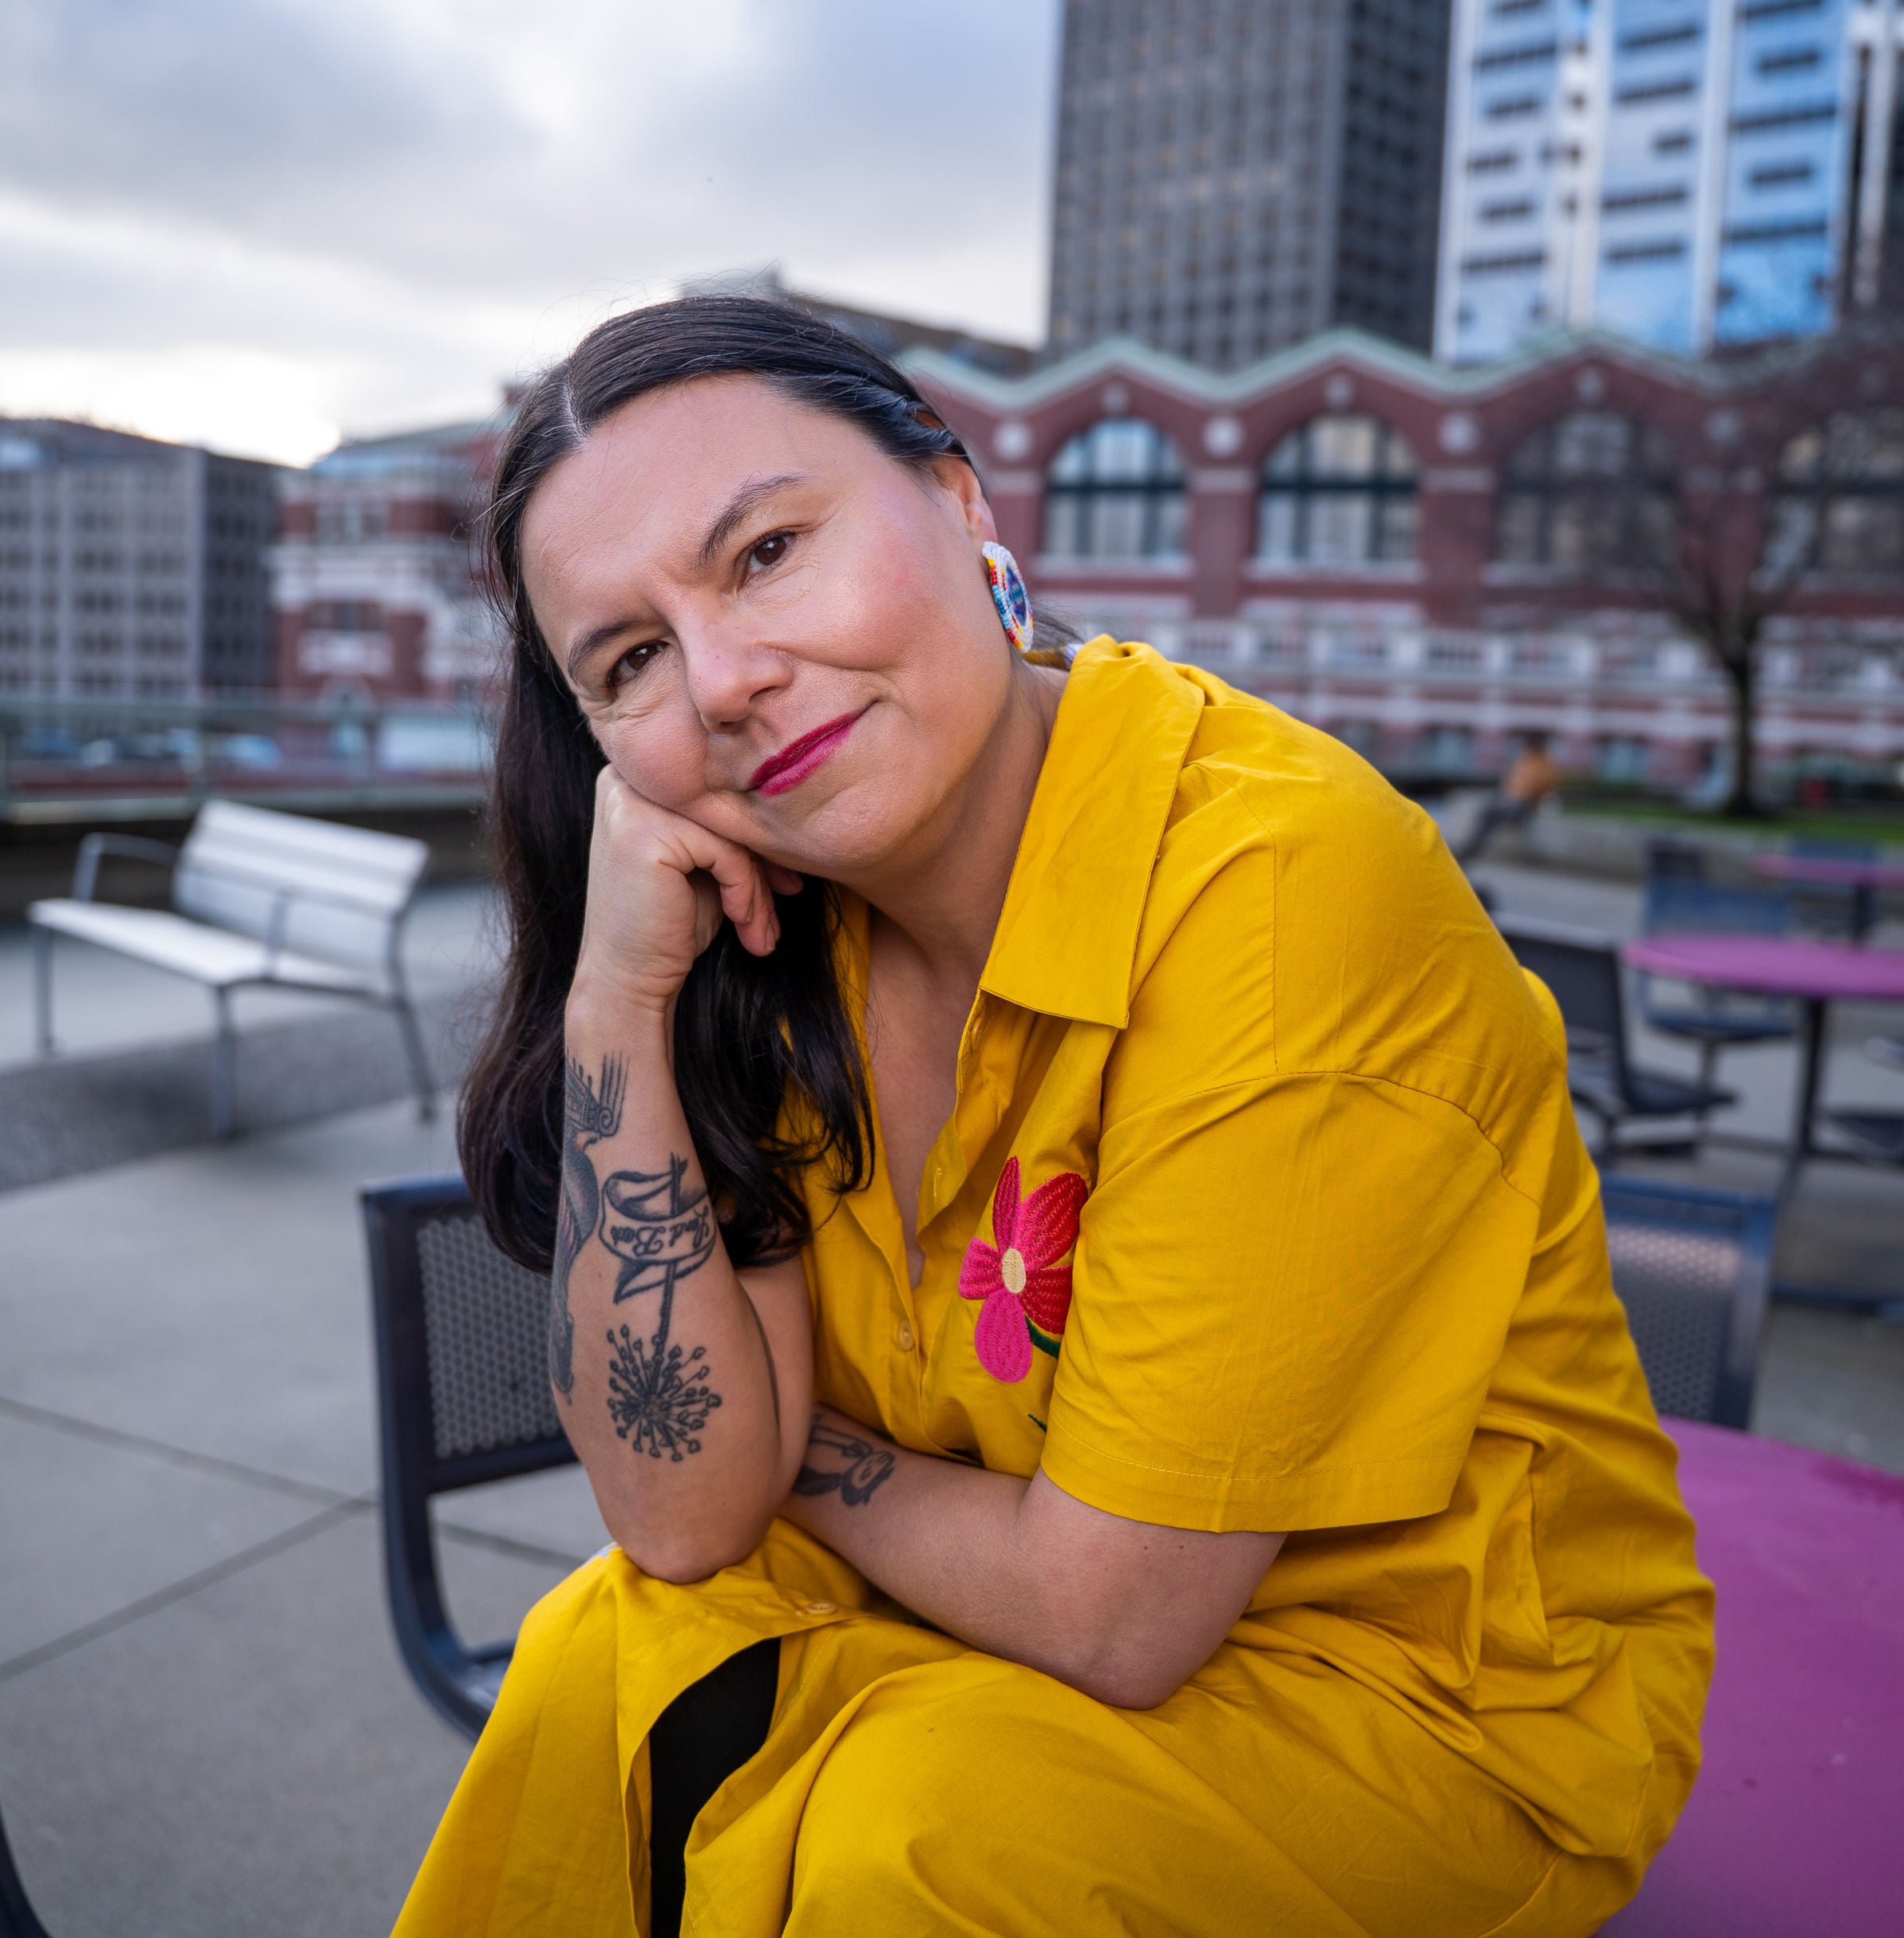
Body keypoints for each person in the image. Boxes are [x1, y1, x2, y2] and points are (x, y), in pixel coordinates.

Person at [397, 295, 1712, 1938]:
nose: (725, 679)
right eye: (632, 657)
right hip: (973, 1598)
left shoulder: (1275, 897)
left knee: (915, 1832)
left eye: (769, 551)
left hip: (1420, 1698)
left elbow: (1108, 1614)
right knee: (605, 1655)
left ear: (958, 504)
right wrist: (617, 1005)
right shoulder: (773, 932)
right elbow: (675, 1510)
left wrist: (785, 1447)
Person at [1455, 734, 1562, 858]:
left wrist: (1532, 801)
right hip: (1511, 800)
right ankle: (1472, 847)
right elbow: (1511, 782)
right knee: (1488, 812)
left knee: (1496, 814)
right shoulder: (1525, 759)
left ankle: (1472, 849)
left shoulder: (1545, 763)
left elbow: (1545, 787)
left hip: (1524, 804)